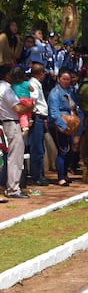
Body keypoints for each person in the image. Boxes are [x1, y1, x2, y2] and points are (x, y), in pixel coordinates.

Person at [0, 64, 32, 198]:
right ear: (7, 75)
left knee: (10, 156)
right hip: (11, 123)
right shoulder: (6, 89)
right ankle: (13, 189)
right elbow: (18, 109)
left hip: (5, 123)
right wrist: (30, 107)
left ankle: (10, 186)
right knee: (15, 157)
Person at [48, 69, 80, 186]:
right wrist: (62, 126)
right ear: (58, 79)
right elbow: (54, 112)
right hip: (59, 125)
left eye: (68, 79)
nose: (66, 82)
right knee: (63, 150)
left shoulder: (71, 91)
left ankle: (65, 174)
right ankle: (61, 177)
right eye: (64, 79)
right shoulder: (55, 93)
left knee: (70, 150)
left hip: (71, 124)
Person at [27, 63, 50, 186]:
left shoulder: (36, 84)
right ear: (42, 73)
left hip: (40, 118)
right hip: (36, 118)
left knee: (39, 147)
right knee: (37, 149)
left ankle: (39, 174)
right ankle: (36, 176)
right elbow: (32, 100)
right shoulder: (33, 84)